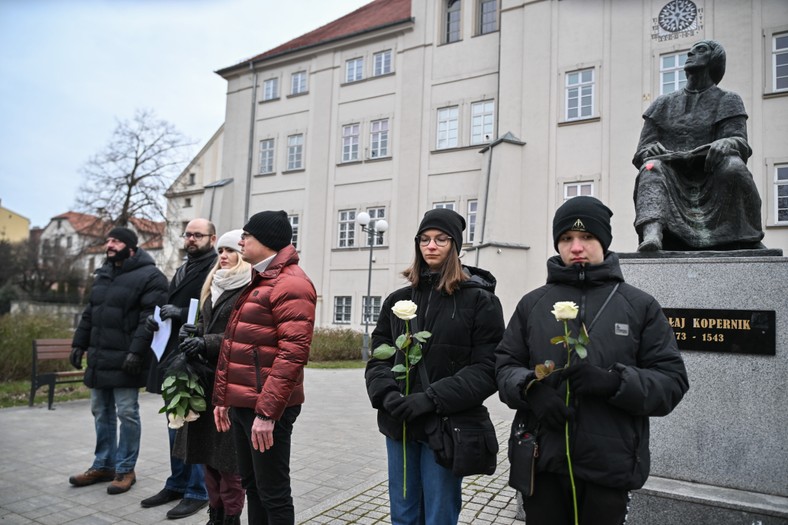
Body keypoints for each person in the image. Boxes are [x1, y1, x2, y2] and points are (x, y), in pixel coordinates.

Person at [495, 196, 690, 525]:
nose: (576, 247)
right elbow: (503, 366)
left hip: (609, 466)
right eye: (567, 238)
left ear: (604, 241)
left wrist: (616, 382)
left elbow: (671, 382)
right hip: (543, 461)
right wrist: (531, 389)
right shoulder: (533, 304)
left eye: (587, 237)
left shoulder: (639, 305)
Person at [365, 208, 505, 525]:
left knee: (439, 514)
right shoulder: (397, 300)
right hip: (398, 421)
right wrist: (386, 396)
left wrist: (431, 398)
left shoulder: (480, 301)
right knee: (403, 511)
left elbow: (488, 367)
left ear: (455, 245)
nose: (431, 245)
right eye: (425, 239)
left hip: (445, 423)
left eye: (441, 239)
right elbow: (379, 355)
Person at [213, 210, 316, 525]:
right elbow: (235, 345)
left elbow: (293, 353)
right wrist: (223, 398)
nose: (241, 241)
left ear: (267, 242)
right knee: (253, 486)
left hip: (268, 408)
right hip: (246, 402)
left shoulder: (291, 283)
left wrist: (267, 413)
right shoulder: (262, 278)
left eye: (247, 236)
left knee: (273, 493)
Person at [632, 39, 764, 252]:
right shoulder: (663, 103)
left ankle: (746, 237)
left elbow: (740, 142)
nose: (690, 54)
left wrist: (726, 142)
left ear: (714, 59)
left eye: (699, 50)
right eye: (690, 51)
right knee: (651, 167)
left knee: (734, 166)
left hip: (712, 173)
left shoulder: (728, 100)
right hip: (671, 174)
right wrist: (650, 151)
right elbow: (641, 152)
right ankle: (653, 235)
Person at [69, 227, 168, 495]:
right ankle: (103, 465)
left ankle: (125, 469)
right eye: (108, 240)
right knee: (100, 412)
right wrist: (79, 343)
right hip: (100, 356)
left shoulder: (150, 276)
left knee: (126, 413)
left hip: (126, 359)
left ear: (131, 247)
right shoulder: (103, 274)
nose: (109, 245)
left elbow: (150, 319)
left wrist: (136, 352)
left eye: (116, 241)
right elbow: (90, 313)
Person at [174, 230, 250, 525]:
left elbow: (241, 335)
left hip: (231, 382)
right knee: (207, 457)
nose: (223, 256)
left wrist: (206, 342)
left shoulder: (247, 288)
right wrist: (192, 332)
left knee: (228, 459)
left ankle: (231, 517)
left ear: (242, 255)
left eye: (230, 251)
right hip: (205, 381)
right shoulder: (213, 284)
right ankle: (214, 514)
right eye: (220, 251)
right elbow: (204, 324)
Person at [142, 218, 217, 519]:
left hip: (195, 356)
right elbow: (173, 306)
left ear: (211, 238)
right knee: (175, 421)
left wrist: (184, 312)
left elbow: (211, 308)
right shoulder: (183, 267)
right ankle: (177, 482)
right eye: (187, 234)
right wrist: (158, 318)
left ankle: (197, 491)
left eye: (197, 235)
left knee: (193, 423)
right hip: (172, 354)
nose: (190, 239)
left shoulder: (215, 267)